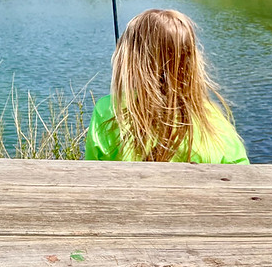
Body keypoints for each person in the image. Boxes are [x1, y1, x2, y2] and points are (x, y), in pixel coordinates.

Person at [85, 9, 249, 164]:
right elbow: (241, 171)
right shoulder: (211, 117)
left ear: (131, 60)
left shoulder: (108, 110)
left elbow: (93, 172)